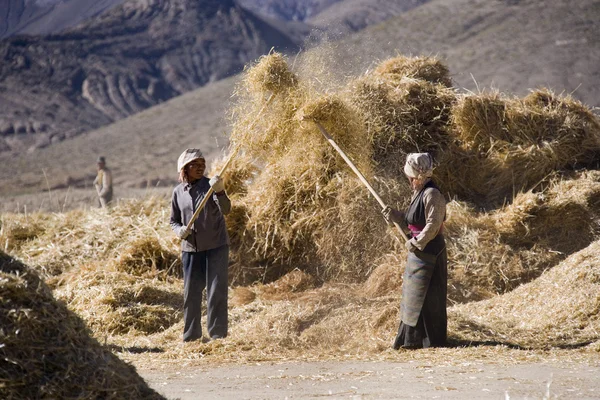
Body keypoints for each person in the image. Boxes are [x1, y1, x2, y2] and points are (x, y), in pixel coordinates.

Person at [382, 152, 447, 349]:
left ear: (419, 176)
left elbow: (433, 225)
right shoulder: (417, 192)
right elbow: (411, 221)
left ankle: (431, 342)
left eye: (411, 176)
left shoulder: (432, 194)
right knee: (413, 297)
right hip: (418, 251)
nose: (409, 180)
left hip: (430, 252)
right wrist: (395, 217)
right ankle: (411, 341)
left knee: (429, 298)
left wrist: (416, 242)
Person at [170, 148, 231, 342]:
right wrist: (179, 230)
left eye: (202, 164)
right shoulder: (178, 192)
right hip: (191, 249)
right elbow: (174, 220)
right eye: (195, 165)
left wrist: (220, 191)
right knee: (191, 294)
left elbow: (227, 209)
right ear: (184, 169)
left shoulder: (210, 186)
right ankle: (191, 336)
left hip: (216, 246)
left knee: (216, 292)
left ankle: (217, 335)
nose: (200, 168)